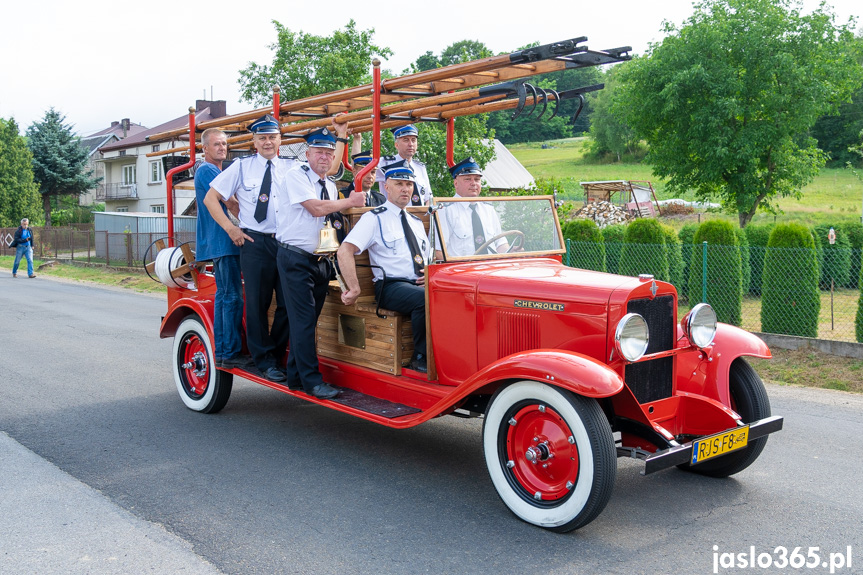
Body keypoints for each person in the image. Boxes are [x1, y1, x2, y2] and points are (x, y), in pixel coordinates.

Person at [275, 128, 365, 399]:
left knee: (308, 321)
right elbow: (315, 208)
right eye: (320, 152)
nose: (325, 157)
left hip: (319, 260)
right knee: (303, 322)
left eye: (329, 152)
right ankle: (313, 382)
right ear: (308, 154)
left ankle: (296, 378)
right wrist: (348, 201)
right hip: (295, 258)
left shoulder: (328, 184)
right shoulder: (296, 176)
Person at [204, 114, 290, 382]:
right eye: (262, 137)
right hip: (255, 242)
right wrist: (231, 228)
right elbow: (211, 198)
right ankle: (264, 361)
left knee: (287, 302)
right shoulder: (241, 167)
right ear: (254, 141)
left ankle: (275, 355)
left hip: (286, 242)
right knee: (257, 304)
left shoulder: (291, 168)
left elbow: (329, 169)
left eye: (272, 137)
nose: (267, 142)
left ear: (280, 140)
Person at [338, 165, 430, 373]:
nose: (405, 189)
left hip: (419, 284)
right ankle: (421, 357)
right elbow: (345, 250)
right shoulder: (374, 218)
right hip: (390, 287)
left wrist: (431, 273)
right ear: (386, 187)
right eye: (399, 184)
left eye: (409, 184)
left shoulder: (416, 222)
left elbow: (429, 257)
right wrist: (354, 289)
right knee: (426, 299)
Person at [196, 128, 246, 369]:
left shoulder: (216, 171)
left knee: (225, 295)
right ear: (204, 149)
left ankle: (224, 351)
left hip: (221, 242)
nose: (222, 148)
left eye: (224, 144)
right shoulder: (207, 170)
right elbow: (229, 201)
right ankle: (229, 351)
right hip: (223, 241)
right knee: (231, 296)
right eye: (216, 144)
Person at [434, 157, 509, 259]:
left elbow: (500, 244)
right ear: (456, 183)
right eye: (468, 179)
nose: (473, 183)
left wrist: (512, 252)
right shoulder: (445, 210)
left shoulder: (488, 209)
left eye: (477, 179)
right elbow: (438, 252)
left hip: (491, 268)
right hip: (462, 270)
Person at [375, 124, 432, 206]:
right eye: (406, 140)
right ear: (396, 145)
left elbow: (428, 198)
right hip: (394, 215)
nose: (410, 144)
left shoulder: (420, 167)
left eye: (413, 140)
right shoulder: (385, 163)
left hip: (419, 216)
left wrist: (425, 214)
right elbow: (359, 170)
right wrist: (357, 139)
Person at [341, 141, 386, 207]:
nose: (370, 176)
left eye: (373, 172)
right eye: (365, 172)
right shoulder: (341, 196)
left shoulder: (380, 199)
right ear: (354, 172)